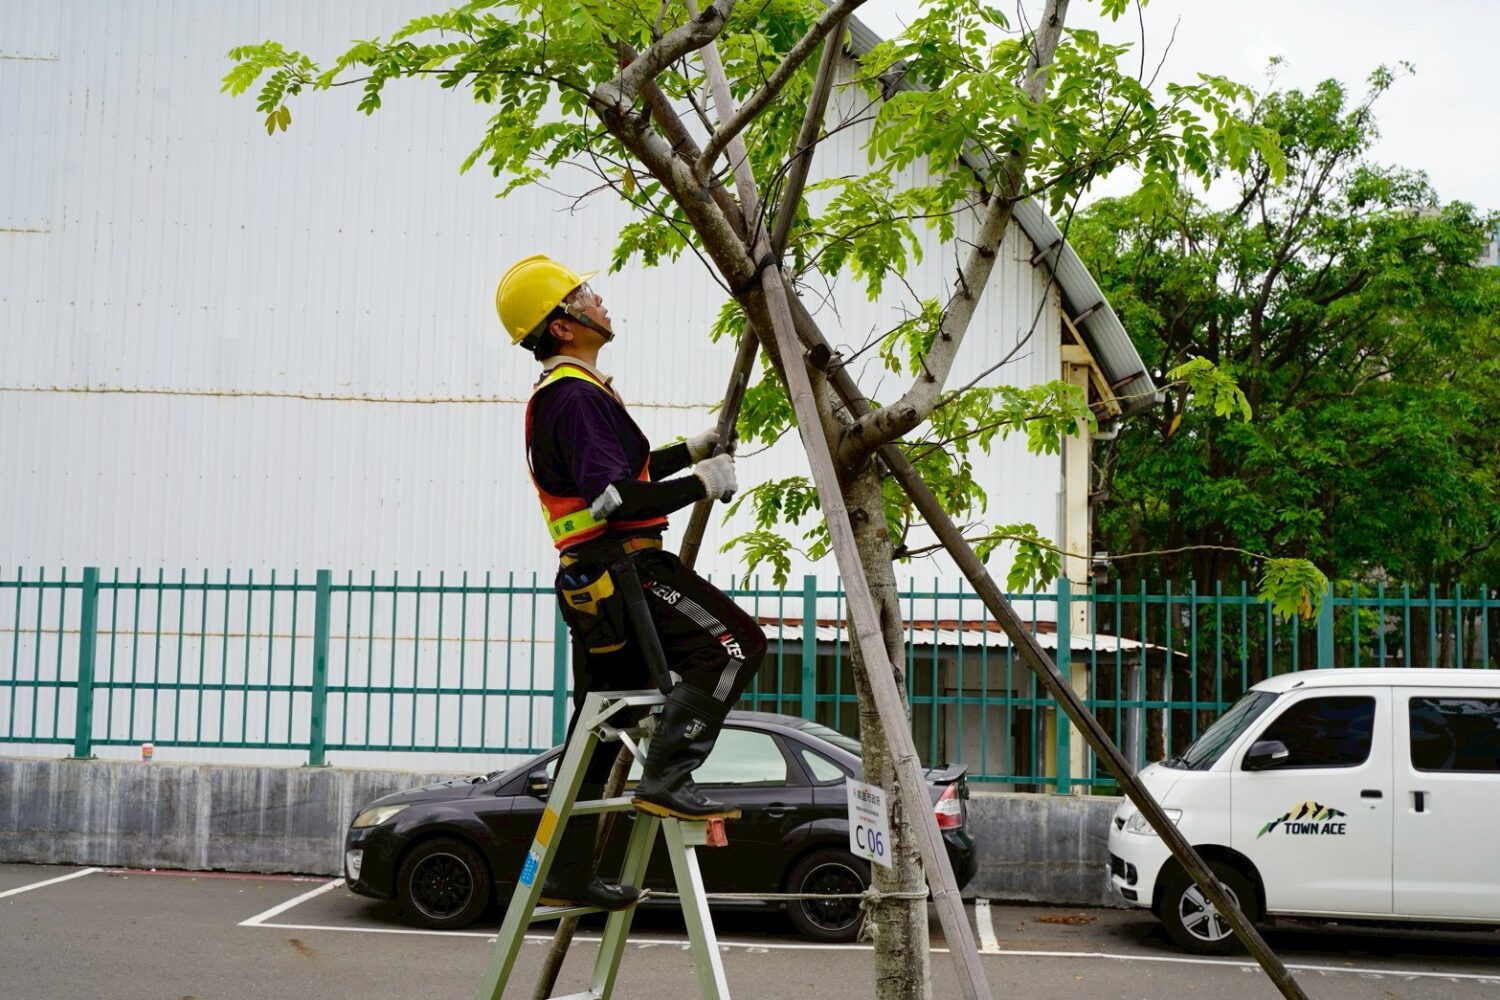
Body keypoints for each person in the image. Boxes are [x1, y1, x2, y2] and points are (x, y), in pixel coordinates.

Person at [496, 255, 768, 910]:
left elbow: (621, 477)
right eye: (584, 295)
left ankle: (564, 873)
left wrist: (690, 452)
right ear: (562, 326)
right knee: (737, 646)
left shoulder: (568, 394)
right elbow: (616, 499)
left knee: (599, 726)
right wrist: (699, 483)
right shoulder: (575, 397)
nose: (600, 300)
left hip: (593, 580)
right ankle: (669, 778)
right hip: (626, 568)